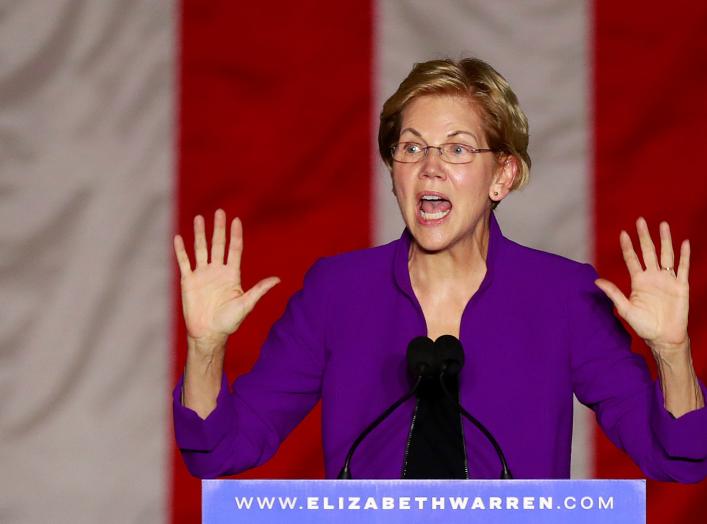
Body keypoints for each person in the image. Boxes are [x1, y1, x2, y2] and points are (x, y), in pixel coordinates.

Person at [172, 58, 706, 481]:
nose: (430, 167)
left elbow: (679, 459)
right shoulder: (336, 293)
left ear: (503, 176)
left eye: (456, 149)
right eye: (412, 148)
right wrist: (205, 349)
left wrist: (673, 356)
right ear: (393, 172)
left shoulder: (564, 297)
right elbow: (218, 452)